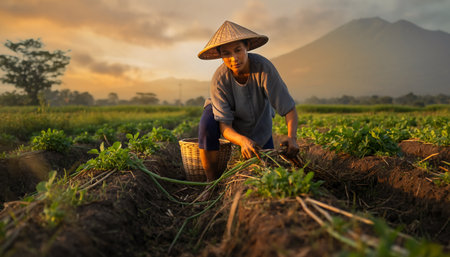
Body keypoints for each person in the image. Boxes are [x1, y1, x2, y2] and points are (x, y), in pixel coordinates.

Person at [197, 20, 299, 182]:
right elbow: (224, 125)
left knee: (266, 169)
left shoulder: (264, 68)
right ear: (221, 56)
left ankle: (259, 145)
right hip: (232, 124)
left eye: (238, 50)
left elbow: (288, 109)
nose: (234, 58)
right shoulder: (219, 79)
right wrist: (242, 140)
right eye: (226, 54)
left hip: (260, 122)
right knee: (207, 121)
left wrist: (292, 137)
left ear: (247, 47)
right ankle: (211, 182)